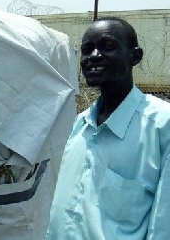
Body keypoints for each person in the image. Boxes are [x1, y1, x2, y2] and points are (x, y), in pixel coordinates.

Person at [47, 17, 170, 239]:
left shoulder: (161, 125)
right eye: (87, 50)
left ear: (135, 56)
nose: (93, 56)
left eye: (108, 46)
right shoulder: (81, 124)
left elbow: (164, 225)